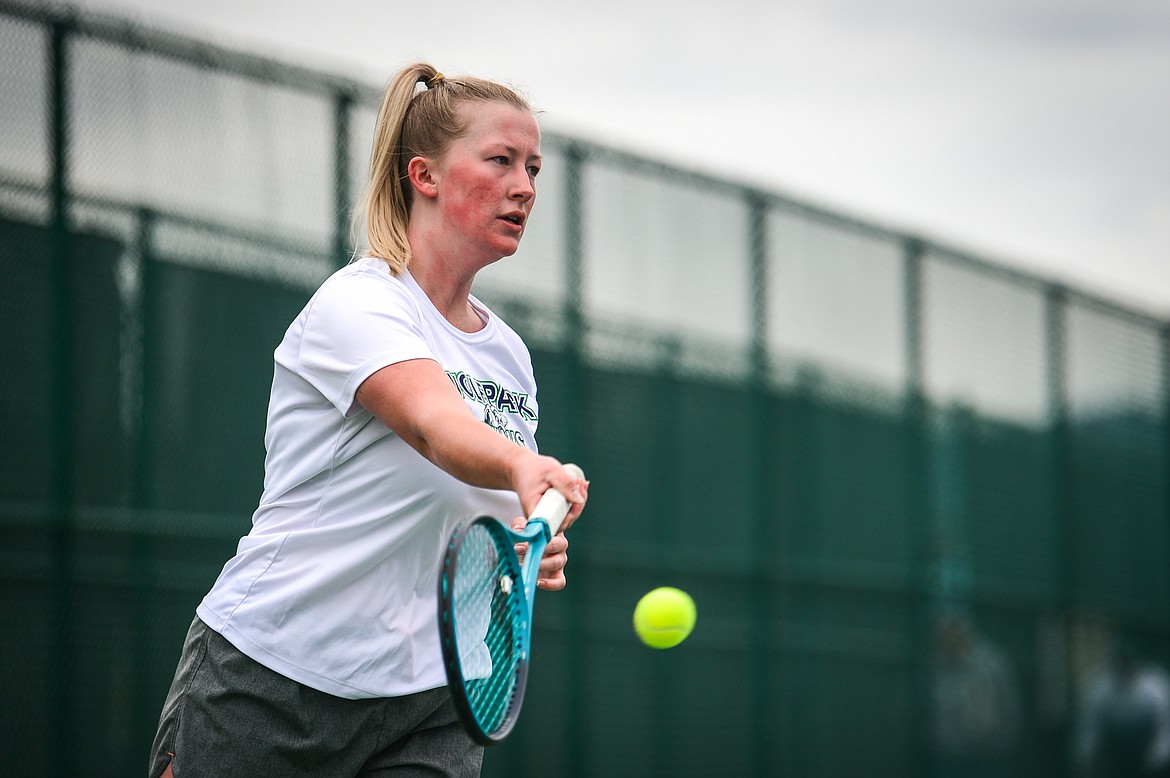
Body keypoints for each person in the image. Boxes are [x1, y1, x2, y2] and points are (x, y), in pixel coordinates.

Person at [148, 62, 588, 778]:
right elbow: (433, 425)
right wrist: (520, 466)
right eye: (501, 161)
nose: (525, 187)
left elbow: (477, 509)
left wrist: (526, 541)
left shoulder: (508, 355)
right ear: (425, 175)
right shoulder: (358, 303)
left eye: (533, 168)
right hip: (273, 680)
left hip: (434, 699)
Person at [930, 612, 1023, 778]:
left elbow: (1010, 709)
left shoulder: (992, 664)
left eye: (956, 630)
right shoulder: (931, 665)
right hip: (942, 758)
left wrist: (1000, 747)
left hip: (986, 760)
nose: (951, 637)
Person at [1074, 640, 1170, 778]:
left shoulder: (1156, 687)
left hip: (1146, 751)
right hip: (1114, 754)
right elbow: (1091, 728)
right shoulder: (1101, 689)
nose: (1124, 670)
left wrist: (1158, 757)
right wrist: (1086, 755)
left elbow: (1164, 727)